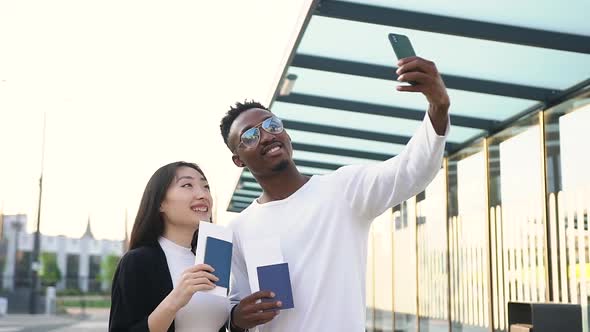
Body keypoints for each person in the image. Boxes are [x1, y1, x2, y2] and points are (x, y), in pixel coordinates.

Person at [219, 56, 450, 331]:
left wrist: (439, 106)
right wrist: (237, 319)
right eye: (249, 136)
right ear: (239, 160)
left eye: (272, 125)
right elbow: (233, 308)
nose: (267, 136)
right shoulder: (236, 229)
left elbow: (413, 169)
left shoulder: (344, 189)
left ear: (286, 133)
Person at [109, 161, 229, 332]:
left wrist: (239, 318)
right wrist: (174, 301)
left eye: (206, 187)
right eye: (187, 185)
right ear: (160, 203)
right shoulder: (138, 261)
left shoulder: (215, 256)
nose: (203, 194)